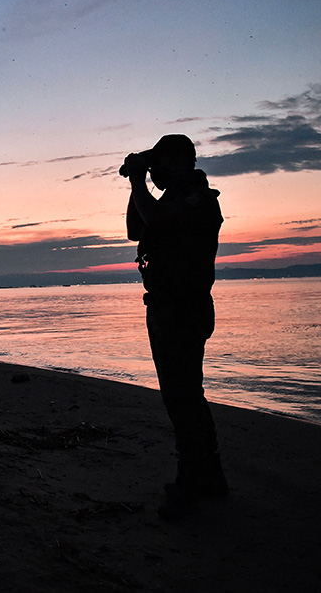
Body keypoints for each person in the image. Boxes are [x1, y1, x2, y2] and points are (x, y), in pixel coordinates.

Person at [122, 134, 228, 519]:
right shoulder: (172, 198)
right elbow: (138, 229)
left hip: (182, 308)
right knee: (185, 394)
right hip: (170, 305)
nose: (154, 172)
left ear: (176, 162)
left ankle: (191, 483)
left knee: (181, 397)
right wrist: (138, 186)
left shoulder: (194, 199)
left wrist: (138, 181)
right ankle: (210, 475)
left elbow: (157, 220)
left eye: (157, 165)